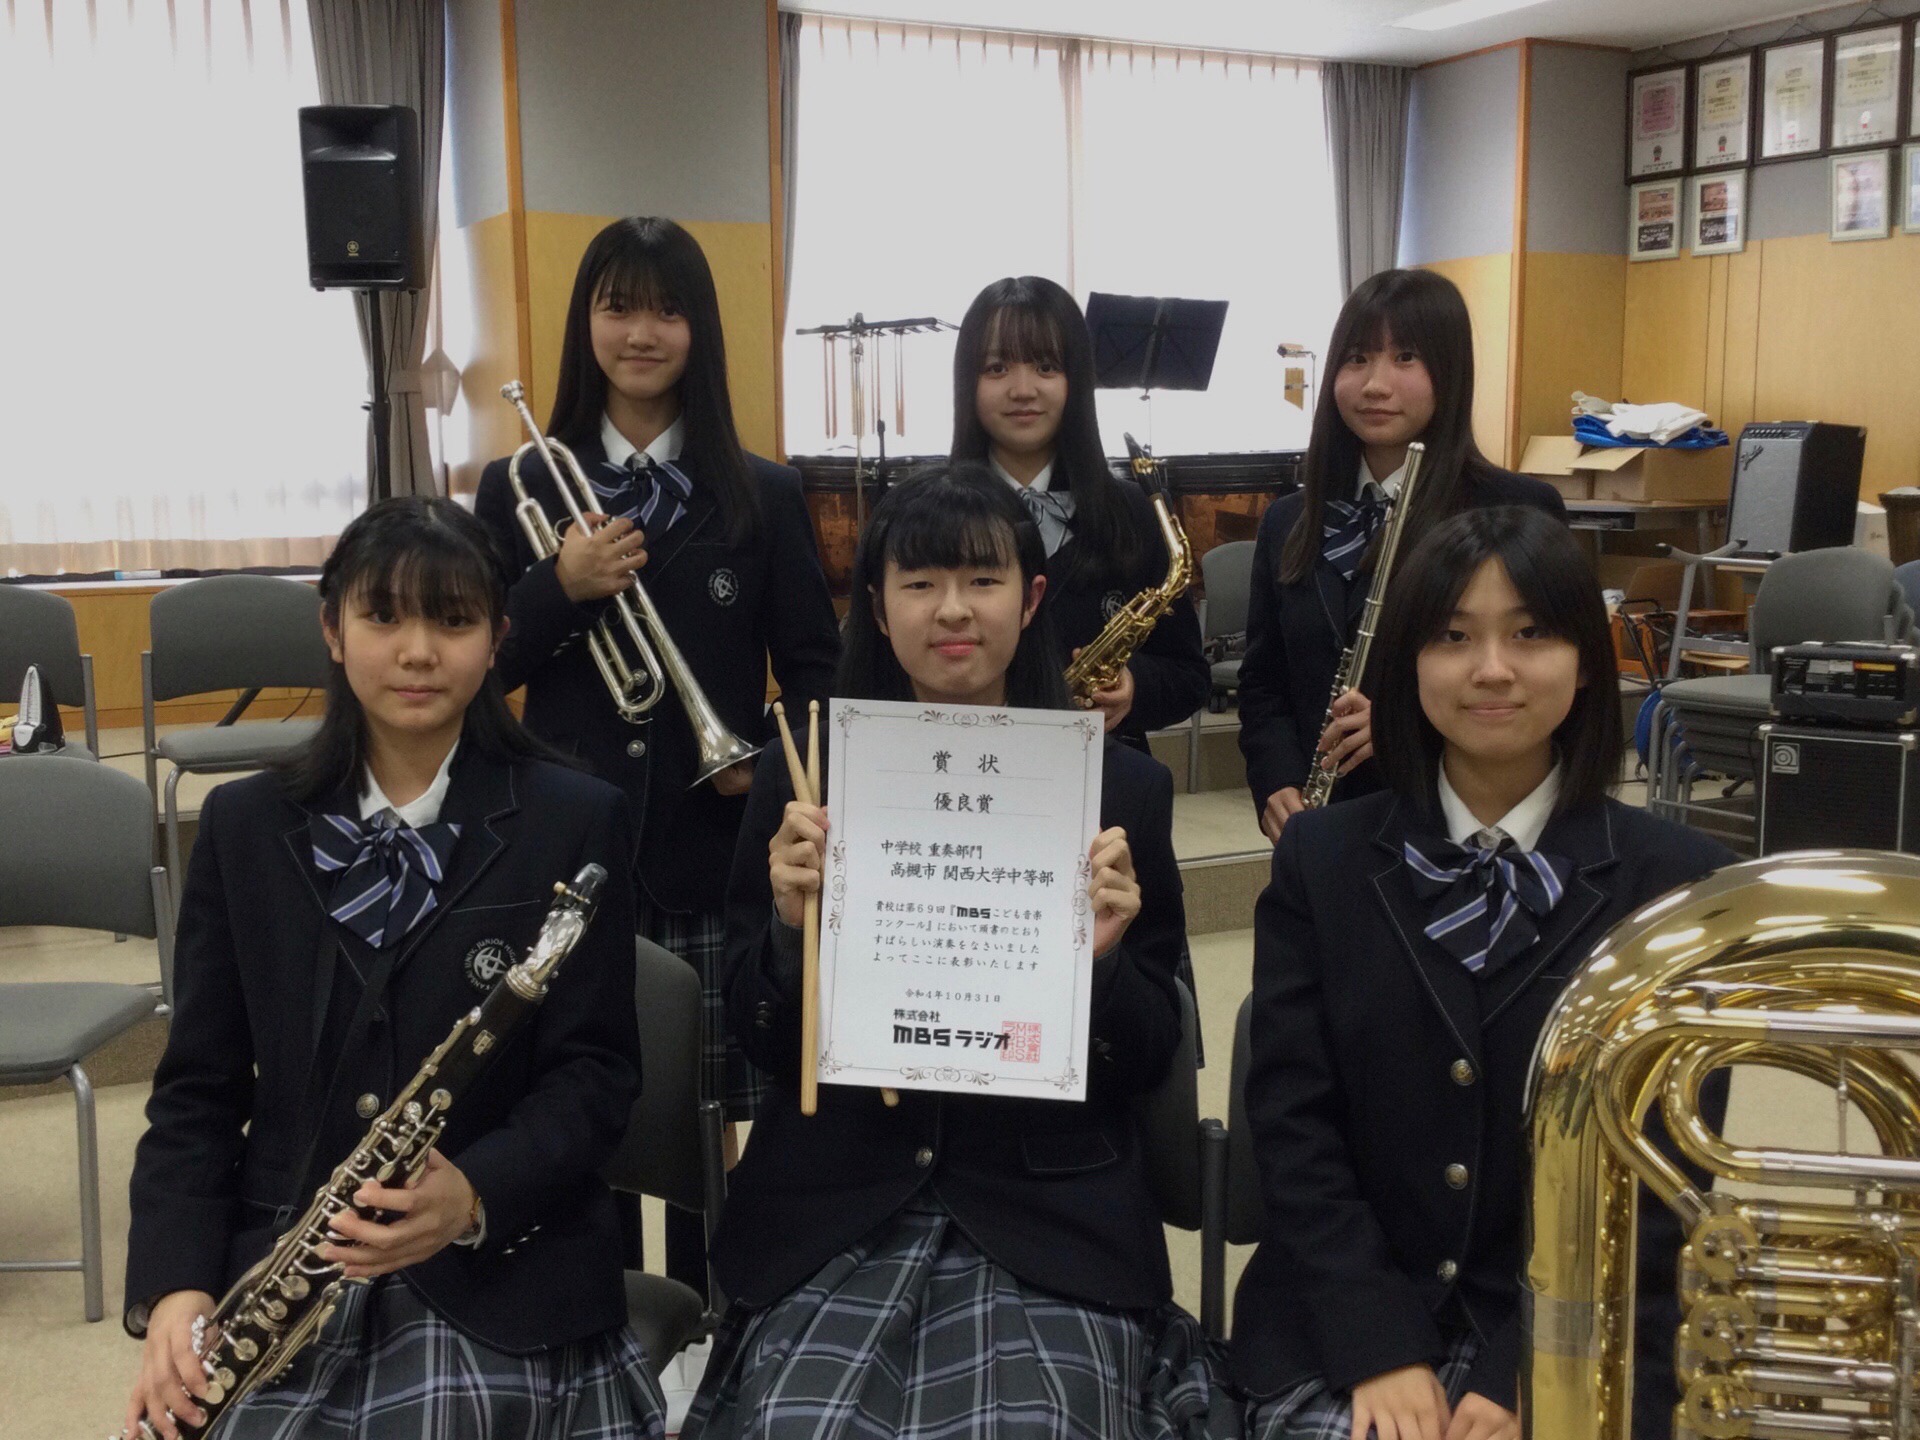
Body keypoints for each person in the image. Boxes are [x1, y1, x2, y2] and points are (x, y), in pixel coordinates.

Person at [685, 465, 1217, 1439]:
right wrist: (792, 930)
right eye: (921, 583)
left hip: (1048, 1217)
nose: (953, 610)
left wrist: (1102, 962)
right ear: (876, 607)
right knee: (807, 1423)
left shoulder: (1119, 790)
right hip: (836, 1206)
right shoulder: (804, 783)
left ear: (1034, 597)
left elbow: (1149, 1053)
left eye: (983, 580)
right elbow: (758, 1037)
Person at [122, 498, 660, 1440]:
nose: (417, 652)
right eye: (383, 617)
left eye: (452, 621)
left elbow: (595, 1075)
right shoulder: (245, 828)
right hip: (289, 1270)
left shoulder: (576, 817)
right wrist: (176, 1289)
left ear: (498, 639)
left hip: (501, 1269)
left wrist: (473, 1194)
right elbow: (197, 1092)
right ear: (333, 631)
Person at [1230, 505, 1733, 1440]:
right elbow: (1293, 1128)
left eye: (1531, 633)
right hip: (1349, 1314)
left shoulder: (1678, 883)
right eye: (1454, 637)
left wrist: (1529, 1363)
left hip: (1584, 1322)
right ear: (1408, 664)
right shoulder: (1320, 859)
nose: (1492, 669)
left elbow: (1663, 1175)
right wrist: (1379, 1344)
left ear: (1587, 660)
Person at [473, 216, 840, 1291]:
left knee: (704, 1111)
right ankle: (595, 1307)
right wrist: (559, 587)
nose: (640, 333)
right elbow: (473, 663)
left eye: (666, 310)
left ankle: (705, 1308)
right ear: (585, 322)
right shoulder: (519, 486)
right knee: (577, 1101)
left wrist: (762, 766)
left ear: (700, 330)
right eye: (617, 307)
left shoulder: (763, 493)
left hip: (708, 851)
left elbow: (817, 676)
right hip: (563, 846)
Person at [1237, 268, 1567, 842]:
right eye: (1358, 358)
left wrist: (1405, 726)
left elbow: (1542, 680)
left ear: (1450, 371)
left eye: (1405, 357)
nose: (1375, 385)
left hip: (1457, 818)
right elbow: (1264, 682)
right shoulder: (1288, 521)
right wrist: (1276, 781)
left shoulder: (1517, 510)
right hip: (1323, 825)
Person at [950, 275, 1209, 746]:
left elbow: (1189, 676)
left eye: (1046, 367)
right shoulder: (927, 516)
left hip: (1105, 768)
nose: (1023, 389)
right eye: (996, 368)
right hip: (959, 763)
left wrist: (1134, 688)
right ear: (968, 382)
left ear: (1077, 380)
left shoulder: (1133, 513)